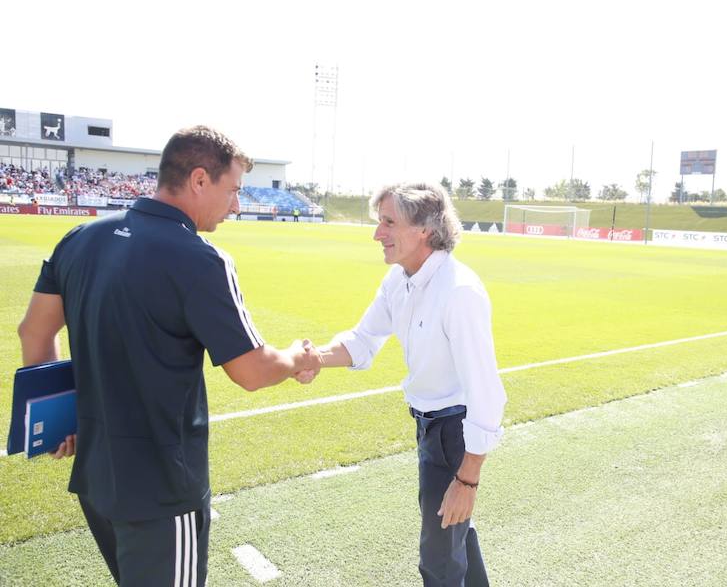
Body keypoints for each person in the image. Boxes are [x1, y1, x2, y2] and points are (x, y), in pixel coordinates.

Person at [17, 125, 322, 587]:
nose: (236, 205)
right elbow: (253, 371)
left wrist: (60, 418)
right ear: (199, 180)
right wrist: (298, 356)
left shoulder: (79, 238)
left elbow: (34, 332)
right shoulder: (200, 257)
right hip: (161, 489)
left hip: (96, 479)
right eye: (233, 190)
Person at [304, 183, 507, 586]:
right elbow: (363, 339)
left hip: (454, 432)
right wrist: (316, 359)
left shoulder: (459, 292)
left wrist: (467, 479)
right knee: (453, 536)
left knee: (439, 560)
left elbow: (486, 394)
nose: (377, 233)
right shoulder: (399, 280)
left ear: (425, 229)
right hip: (428, 428)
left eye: (388, 222)